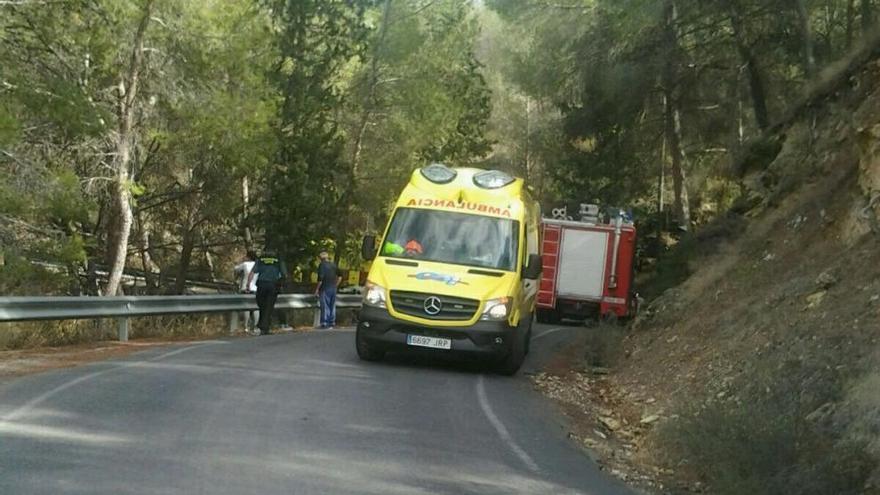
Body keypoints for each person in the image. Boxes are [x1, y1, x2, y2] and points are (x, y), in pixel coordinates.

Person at [247, 249, 286, 335]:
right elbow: (284, 273)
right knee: (269, 307)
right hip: (273, 285)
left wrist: (248, 285)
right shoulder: (278, 260)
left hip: (261, 285)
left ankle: (263, 326)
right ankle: (265, 327)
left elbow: (252, 272)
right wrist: (281, 283)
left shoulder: (261, 259)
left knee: (262, 305)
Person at [233, 250, 259, 334]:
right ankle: (255, 326)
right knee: (255, 308)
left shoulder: (245, 264)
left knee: (246, 308)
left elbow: (236, 269)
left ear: (248, 257)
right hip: (255, 288)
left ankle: (246, 327)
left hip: (245, 288)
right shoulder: (258, 265)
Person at [314, 251, 341, 329]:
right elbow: (340, 276)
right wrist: (336, 285)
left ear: (320, 258)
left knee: (325, 305)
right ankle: (332, 322)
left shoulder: (322, 266)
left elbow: (320, 280)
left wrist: (316, 290)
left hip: (325, 288)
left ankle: (324, 322)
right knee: (332, 305)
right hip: (333, 288)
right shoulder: (333, 265)